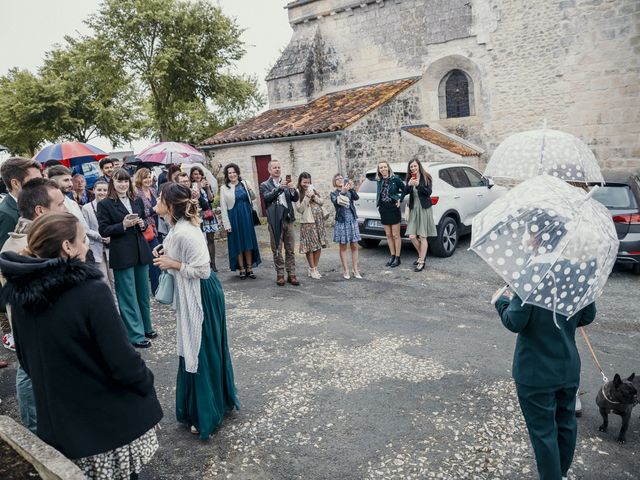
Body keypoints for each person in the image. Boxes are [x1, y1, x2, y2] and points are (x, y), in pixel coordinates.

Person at [0, 212, 163, 479]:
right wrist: (145, 382)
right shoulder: (90, 291)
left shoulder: (20, 294)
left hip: (62, 424)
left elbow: (27, 360)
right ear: (67, 246)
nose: (87, 246)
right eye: (83, 240)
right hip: (107, 425)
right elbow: (123, 362)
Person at [153, 183, 239, 439]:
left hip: (202, 295)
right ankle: (202, 406)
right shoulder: (175, 229)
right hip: (192, 292)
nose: (155, 201)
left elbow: (202, 270)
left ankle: (207, 413)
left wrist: (173, 263)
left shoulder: (186, 232)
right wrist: (165, 253)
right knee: (192, 346)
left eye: (160, 198)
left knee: (201, 347)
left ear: (169, 205)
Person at [494, 287, 596, 480]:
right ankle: (562, 474)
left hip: (535, 372)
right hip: (567, 367)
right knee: (566, 421)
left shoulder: (533, 278)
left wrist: (501, 301)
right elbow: (587, 316)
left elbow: (514, 321)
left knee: (543, 432)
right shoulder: (578, 277)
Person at [0, 178, 67, 433]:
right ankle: (38, 434)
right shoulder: (24, 248)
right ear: (41, 210)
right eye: (60, 204)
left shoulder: (35, 239)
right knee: (29, 377)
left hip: (41, 343)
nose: (65, 209)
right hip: (34, 340)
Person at [97, 168, 156, 348]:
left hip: (140, 250)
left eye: (125, 181)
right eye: (119, 181)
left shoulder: (136, 199)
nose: (123, 184)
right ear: (112, 183)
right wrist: (122, 225)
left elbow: (146, 221)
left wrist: (141, 223)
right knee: (128, 296)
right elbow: (104, 230)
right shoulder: (105, 204)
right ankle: (135, 335)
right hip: (122, 253)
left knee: (143, 293)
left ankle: (146, 327)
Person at [0, 156, 42, 353]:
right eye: (34, 180)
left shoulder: (27, 204)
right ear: (15, 183)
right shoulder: (7, 214)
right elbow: (7, 261)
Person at [259, 159, 300, 286]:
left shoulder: (286, 182)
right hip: (275, 220)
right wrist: (279, 189)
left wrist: (293, 190)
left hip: (288, 219)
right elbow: (267, 197)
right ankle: (280, 274)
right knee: (276, 249)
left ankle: (291, 274)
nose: (277, 169)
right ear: (269, 170)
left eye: (279, 167)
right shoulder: (264, 185)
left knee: (290, 249)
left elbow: (295, 198)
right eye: (274, 167)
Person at [219, 163, 260, 278]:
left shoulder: (245, 183)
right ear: (227, 175)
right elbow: (223, 207)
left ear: (237, 172)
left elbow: (253, 197)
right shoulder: (224, 188)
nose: (232, 175)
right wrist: (226, 224)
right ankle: (241, 268)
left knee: (248, 242)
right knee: (237, 243)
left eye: (234, 172)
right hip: (234, 217)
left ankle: (249, 268)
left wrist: (250, 188)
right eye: (229, 173)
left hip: (246, 217)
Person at [403, 158, 436, 272]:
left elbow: (429, 192)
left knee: (422, 236)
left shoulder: (427, 177)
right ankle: (422, 255)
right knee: (412, 236)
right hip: (414, 209)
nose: (413, 168)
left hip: (424, 209)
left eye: (415, 166)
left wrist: (418, 185)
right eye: (411, 166)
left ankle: (421, 261)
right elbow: (405, 192)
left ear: (419, 166)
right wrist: (409, 184)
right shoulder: (409, 177)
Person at [82, 180, 114, 290]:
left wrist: (111, 235)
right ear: (94, 191)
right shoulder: (87, 208)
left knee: (114, 279)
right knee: (103, 279)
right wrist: (100, 236)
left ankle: (118, 306)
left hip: (111, 246)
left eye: (105, 190)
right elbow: (85, 228)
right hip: (96, 246)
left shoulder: (112, 205)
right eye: (99, 190)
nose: (102, 192)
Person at [330, 173, 362, 279]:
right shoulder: (334, 193)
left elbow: (356, 198)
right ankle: (346, 270)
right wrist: (343, 193)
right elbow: (337, 203)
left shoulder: (349, 190)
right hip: (341, 221)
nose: (339, 180)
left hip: (352, 220)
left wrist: (352, 189)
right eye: (337, 179)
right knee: (343, 246)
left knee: (354, 245)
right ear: (335, 182)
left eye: (341, 178)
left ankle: (355, 269)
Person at [296, 172, 327, 279]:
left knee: (318, 246)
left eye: (308, 182)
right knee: (310, 247)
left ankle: (314, 268)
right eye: (304, 182)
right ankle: (312, 268)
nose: (306, 184)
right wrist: (307, 197)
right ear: (300, 182)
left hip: (319, 222)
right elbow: (299, 209)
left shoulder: (312, 189)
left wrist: (313, 195)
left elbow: (322, 202)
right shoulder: (297, 192)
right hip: (308, 223)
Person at [134, 168, 161, 293]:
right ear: (139, 179)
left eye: (149, 177)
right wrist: (153, 210)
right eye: (145, 177)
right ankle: (156, 288)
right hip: (145, 230)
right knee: (152, 260)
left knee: (158, 258)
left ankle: (161, 286)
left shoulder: (153, 190)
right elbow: (138, 213)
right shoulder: (136, 193)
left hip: (157, 227)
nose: (148, 180)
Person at [191, 166, 219, 272]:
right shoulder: (193, 186)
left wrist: (207, 188)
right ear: (192, 176)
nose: (198, 176)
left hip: (209, 214)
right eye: (195, 174)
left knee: (211, 239)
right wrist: (198, 186)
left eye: (199, 174)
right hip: (199, 215)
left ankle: (213, 262)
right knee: (201, 239)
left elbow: (211, 199)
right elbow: (195, 197)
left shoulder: (206, 185)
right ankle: (204, 262)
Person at [376, 161, 404, 267]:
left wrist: (399, 198)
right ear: (379, 170)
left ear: (388, 168)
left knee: (396, 235)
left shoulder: (395, 179)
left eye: (384, 167)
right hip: (383, 208)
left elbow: (405, 189)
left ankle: (398, 257)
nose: (383, 169)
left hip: (393, 207)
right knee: (388, 235)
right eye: (380, 167)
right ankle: (392, 256)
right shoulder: (379, 180)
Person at [47, 165, 89, 234]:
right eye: (66, 180)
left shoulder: (73, 203)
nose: (71, 184)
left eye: (71, 180)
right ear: (53, 182)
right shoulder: (48, 206)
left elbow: (84, 228)